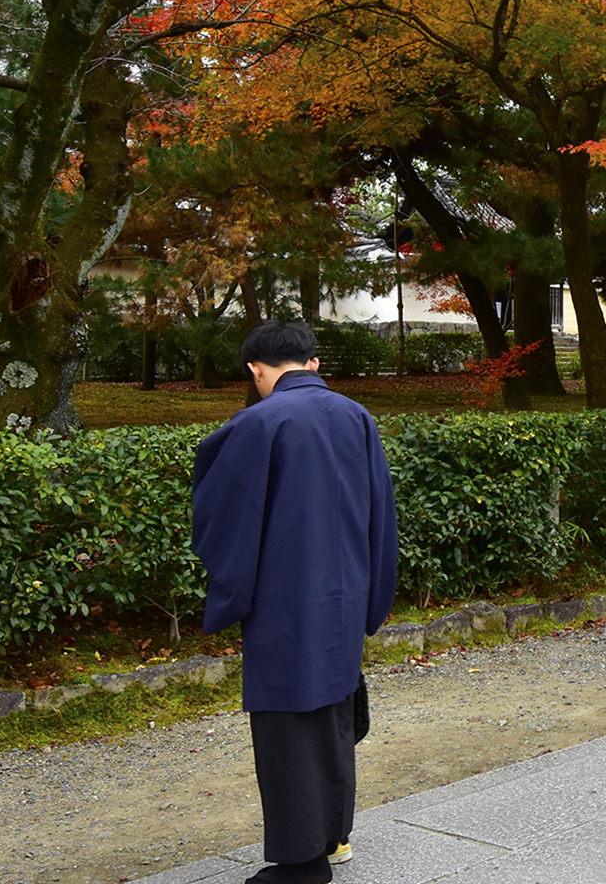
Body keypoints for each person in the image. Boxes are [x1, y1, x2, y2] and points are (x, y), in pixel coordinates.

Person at [192, 321, 399, 884]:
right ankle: (333, 839)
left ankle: (302, 863)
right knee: (332, 711)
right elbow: (383, 513)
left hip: (286, 596)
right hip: (345, 591)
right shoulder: (357, 417)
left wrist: (229, 591)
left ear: (257, 370)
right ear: (310, 363)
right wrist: (373, 593)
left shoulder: (259, 422)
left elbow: (219, 516)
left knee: (286, 723)